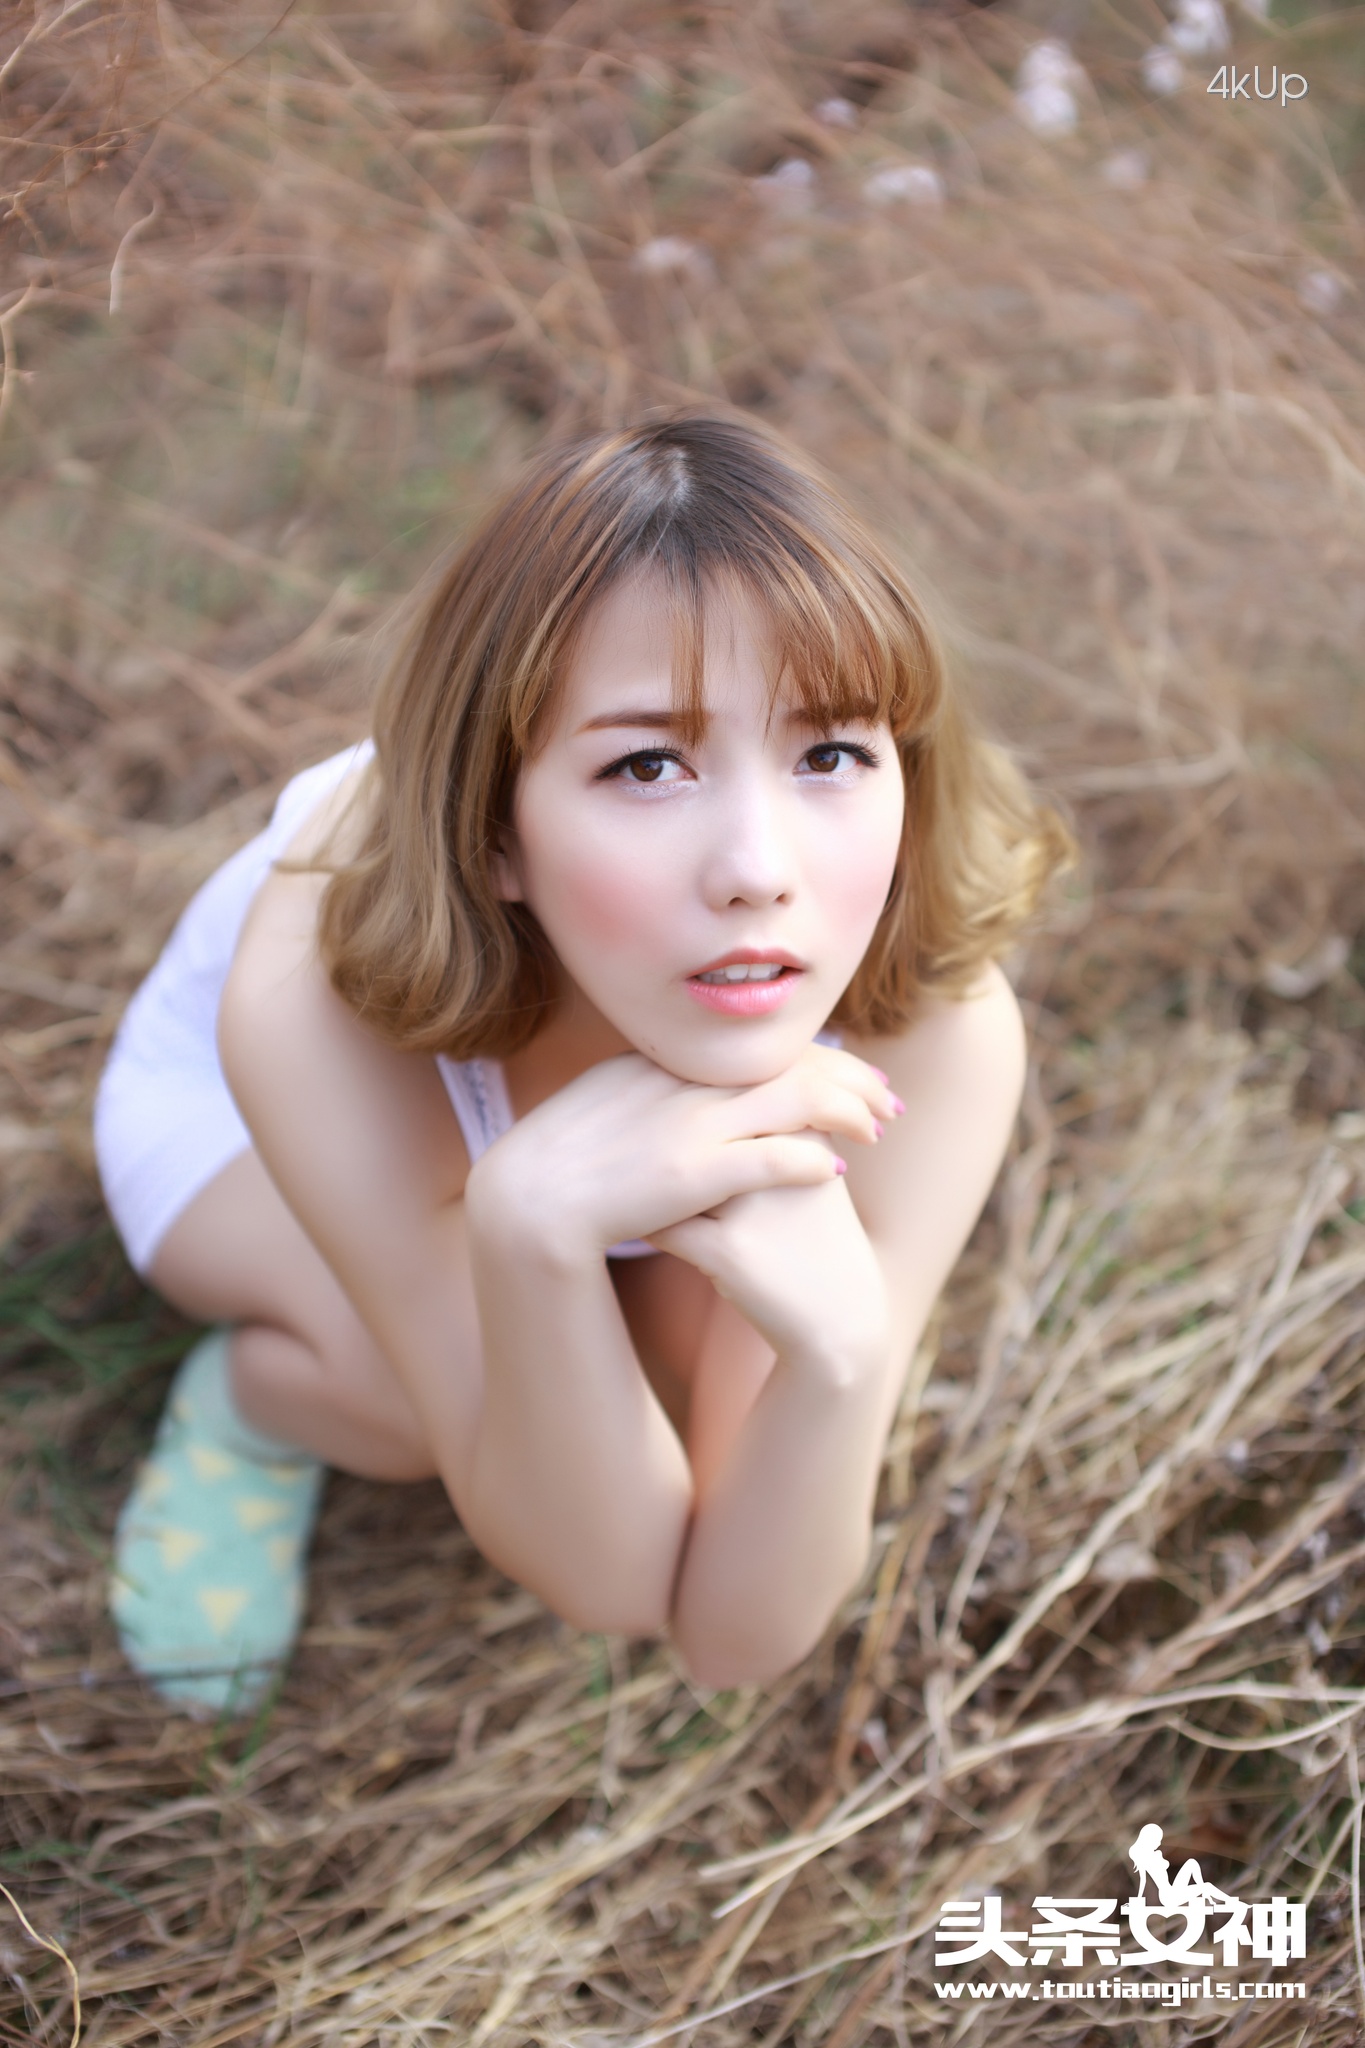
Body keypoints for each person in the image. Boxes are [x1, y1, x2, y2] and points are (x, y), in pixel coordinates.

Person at [95, 412, 1073, 1714]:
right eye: (647, 765)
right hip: (252, 1134)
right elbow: (603, 1584)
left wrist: (844, 1360)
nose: (758, 872)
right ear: (492, 828)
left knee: (703, 1393)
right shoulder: (311, 993)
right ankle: (259, 1403)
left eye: (830, 753)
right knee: (415, 1403)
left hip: (575, 1116)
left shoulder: (941, 1024)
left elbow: (735, 1639)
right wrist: (526, 1228)